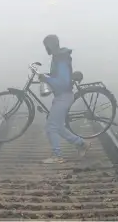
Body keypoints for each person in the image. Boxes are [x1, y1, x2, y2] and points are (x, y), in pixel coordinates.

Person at [38, 34, 91, 164]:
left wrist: (47, 79)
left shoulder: (60, 59)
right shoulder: (59, 57)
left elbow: (62, 82)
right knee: (59, 127)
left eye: (46, 46)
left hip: (63, 96)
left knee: (51, 127)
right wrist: (47, 76)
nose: (46, 49)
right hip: (62, 96)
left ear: (50, 45)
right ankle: (82, 144)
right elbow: (59, 77)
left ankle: (57, 156)